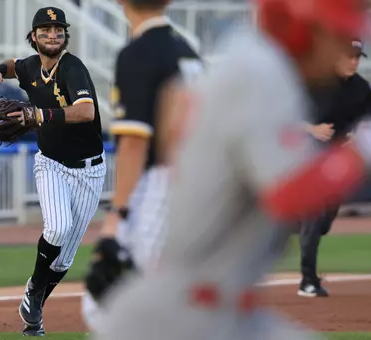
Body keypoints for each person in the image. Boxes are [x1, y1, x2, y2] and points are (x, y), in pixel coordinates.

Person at [91, 0, 371, 340]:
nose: (345, 49)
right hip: (185, 318)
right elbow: (292, 193)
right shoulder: (260, 72)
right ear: (301, 30)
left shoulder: (261, 65)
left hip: (219, 311)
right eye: (337, 36)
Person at [0, 6, 106, 337]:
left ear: (65, 36)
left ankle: (33, 311)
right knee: (58, 227)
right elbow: (13, 67)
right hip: (51, 162)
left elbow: (85, 112)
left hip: (90, 171)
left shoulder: (72, 68)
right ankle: (35, 290)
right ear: (34, 37)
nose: (53, 34)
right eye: (46, 30)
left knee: (63, 260)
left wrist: (38, 116)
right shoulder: (30, 66)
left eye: (58, 29)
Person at [81, 0, 203, 333]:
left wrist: (117, 214)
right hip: (193, 184)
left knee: (107, 306)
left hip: (156, 189)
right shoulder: (187, 50)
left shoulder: (139, 52)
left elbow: (135, 142)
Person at [297, 39, 371, 298]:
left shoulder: (361, 88)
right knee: (314, 218)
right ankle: (308, 281)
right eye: (348, 56)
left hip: (335, 162)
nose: (353, 61)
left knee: (324, 223)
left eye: (357, 57)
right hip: (305, 155)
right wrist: (312, 129)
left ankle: (294, 222)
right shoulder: (315, 81)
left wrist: (356, 135)